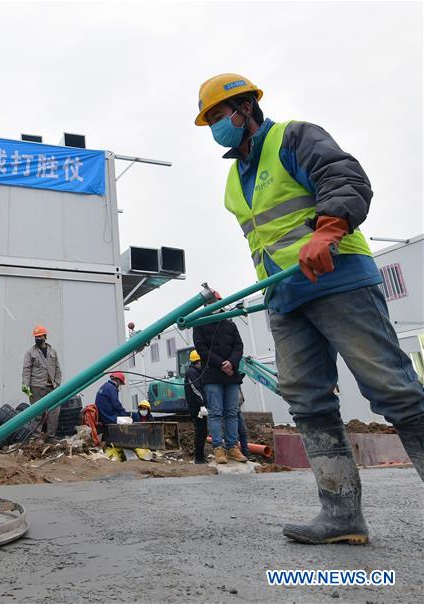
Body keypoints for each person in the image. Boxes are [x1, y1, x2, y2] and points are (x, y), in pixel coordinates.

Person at [195, 73, 424, 544]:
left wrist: (328, 228)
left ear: (248, 109)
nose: (219, 126)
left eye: (223, 115)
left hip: (337, 279)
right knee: (306, 398)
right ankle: (341, 515)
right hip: (285, 297)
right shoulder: (232, 184)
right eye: (211, 120)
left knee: (392, 388)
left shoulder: (294, 137)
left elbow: (344, 178)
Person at [192, 298, 248, 465]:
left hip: (231, 375)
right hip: (212, 375)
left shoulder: (229, 324)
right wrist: (222, 363)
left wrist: (231, 362)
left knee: (232, 412)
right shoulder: (200, 324)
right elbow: (201, 349)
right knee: (215, 412)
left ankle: (232, 447)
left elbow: (239, 346)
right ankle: (218, 448)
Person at [21, 325, 63, 437]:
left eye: (40, 336)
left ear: (45, 336)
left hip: (52, 387)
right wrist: (25, 385)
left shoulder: (52, 351)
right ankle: (35, 438)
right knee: (37, 413)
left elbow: (58, 368)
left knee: (54, 412)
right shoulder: (30, 352)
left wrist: (57, 383)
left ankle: (50, 437)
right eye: (36, 337)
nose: (38, 339)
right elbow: (26, 369)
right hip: (36, 387)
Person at [184, 350, 209, 464]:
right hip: (197, 408)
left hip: (199, 407)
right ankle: (198, 458)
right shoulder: (192, 372)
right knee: (200, 431)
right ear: (198, 361)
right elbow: (196, 389)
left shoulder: (197, 372)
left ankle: (200, 456)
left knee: (202, 432)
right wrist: (202, 404)